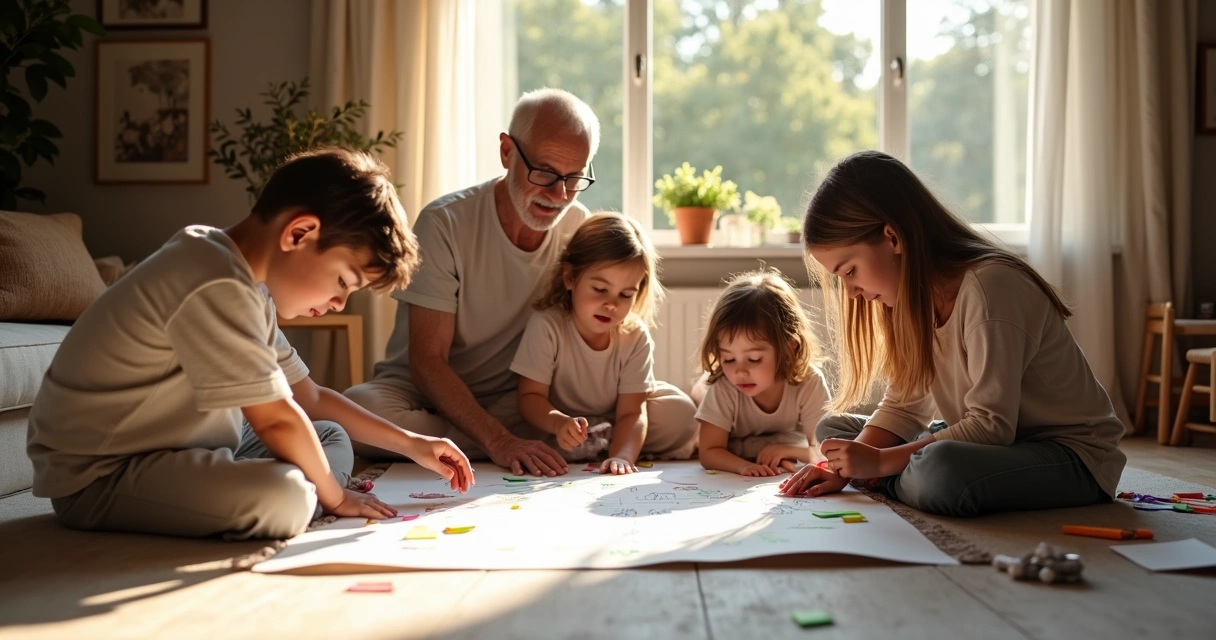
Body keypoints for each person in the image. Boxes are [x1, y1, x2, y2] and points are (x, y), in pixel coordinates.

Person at [26, 148, 475, 540]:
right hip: (104, 472)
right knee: (285, 497)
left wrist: (411, 442)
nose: (338, 303)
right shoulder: (212, 282)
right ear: (299, 233)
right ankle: (317, 494)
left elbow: (310, 397)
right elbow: (277, 421)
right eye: (343, 282)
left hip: (188, 442)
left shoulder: (245, 285)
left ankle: (313, 489)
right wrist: (335, 496)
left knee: (328, 436)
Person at [780, 150, 1126, 517]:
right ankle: (893, 473)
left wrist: (879, 464)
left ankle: (890, 476)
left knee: (939, 470)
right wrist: (840, 470)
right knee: (834, 431)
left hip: (1070, 455)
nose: (850, 292)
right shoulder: (908, 301)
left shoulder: (992, 286)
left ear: (892, 238)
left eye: (850, 271)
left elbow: (992, 426)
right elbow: (903, 405)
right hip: (993, 443)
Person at [345, 89, 605, 478]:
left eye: (573, 178)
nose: (559, 195)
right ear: (506, 152)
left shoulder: (578, 227)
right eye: (546, 173)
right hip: (423, 395)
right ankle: (484, 441)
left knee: (674, 416)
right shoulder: (445, 221)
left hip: (519, 398)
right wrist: (499, 441)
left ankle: (447, 444)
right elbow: (427, 360)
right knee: (358, 414)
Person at [510, 213, 698, 475]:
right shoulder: (548, 326)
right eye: (600, 289)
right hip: (558, 418)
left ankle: (605, 442)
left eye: (625, 295)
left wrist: (622, 456)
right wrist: (559, 423)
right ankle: (583, 440)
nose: (612, 304)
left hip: (617, 416)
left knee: (682, 413)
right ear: (570, 278)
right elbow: (530, 398)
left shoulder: (634, 335)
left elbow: (632, 412)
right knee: (510, 423)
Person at [695, 270, 831, 477]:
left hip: (779, 434)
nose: (739, 371)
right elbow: (709, 451)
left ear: (789, 349)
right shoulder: (724, 384)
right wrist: (743, 466)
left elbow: (823, 448)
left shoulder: (809, 381)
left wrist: (790, 450)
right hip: (706, 396)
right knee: (699, 395)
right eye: (728, 359)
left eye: (754, 359)